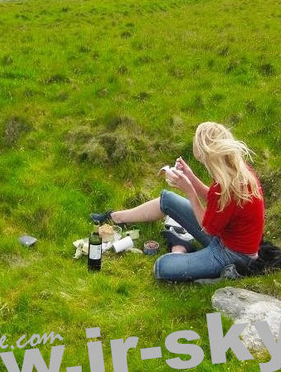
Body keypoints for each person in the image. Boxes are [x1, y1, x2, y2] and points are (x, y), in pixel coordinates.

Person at [90, 121, 265, 282]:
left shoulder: (228, 185)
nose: (204, 164)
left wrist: (189, 190)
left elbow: (208, 228)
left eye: (203, 161)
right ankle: (117, 217)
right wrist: (190, 176)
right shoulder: (235, 171)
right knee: (167, 199)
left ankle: (181, 247)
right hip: (224, 236)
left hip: (233, 254)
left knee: (162, 267)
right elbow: (214, 199)